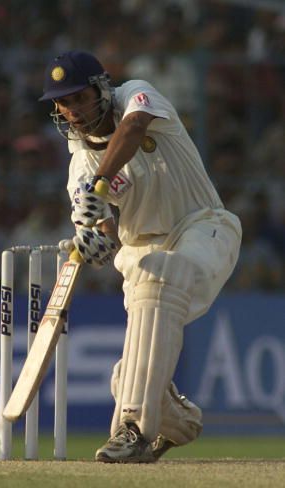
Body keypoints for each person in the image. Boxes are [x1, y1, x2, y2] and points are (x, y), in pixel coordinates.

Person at [38, 51, 241, 463]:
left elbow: (131, 130)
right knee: (128, 375)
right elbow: (107, 232)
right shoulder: (79, 165)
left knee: (161, 276)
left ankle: (132, 430)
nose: (71, 111)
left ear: (100, 88)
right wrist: (98, 238)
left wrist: (98, 189)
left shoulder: (136, 95)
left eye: (79, 98)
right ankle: (179, 421)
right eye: (63, 103)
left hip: (202, 227)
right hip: (139, 254)